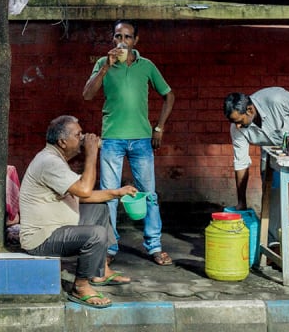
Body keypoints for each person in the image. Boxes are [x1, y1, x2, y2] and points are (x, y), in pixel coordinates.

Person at [19, 115, 138, 309]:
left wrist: (116, 193)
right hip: (41, 238)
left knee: (100, 208)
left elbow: (80, 196)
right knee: (95, 234)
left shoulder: (56, 158)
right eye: (78, 134)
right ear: (62, 142)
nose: (83, 138)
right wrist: (91, 154)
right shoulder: (49, 162)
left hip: (59, 228)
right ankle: (80, 287)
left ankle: (100, 271)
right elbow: (84, 190)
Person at [82, 20, 175, 265]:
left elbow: (169, 95)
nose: (121, 41)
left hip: (142, 140)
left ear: (136, 41)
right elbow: (87, 95)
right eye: (117, 36)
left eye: (127, 37)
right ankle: (109, 248)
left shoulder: (147, 66)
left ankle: (154, 246)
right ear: (113, 39)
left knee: (149, 195)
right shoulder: (103, 63)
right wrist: (105, 68)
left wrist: (159, 127)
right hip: (111, 140)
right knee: (109, 196)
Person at [224, 87, 289, 245]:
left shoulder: (275, 99)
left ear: (249, 110)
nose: (237, 126)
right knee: (272, 197)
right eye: (233, 122)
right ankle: (272, 245)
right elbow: (241, 163)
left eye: (239, 121)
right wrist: (241, 201)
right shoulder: (237, 128)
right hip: (275, 154)